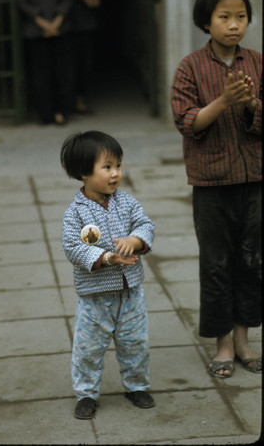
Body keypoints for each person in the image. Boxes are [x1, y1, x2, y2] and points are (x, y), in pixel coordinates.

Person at [171, 0, 262, 378]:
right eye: (224, 17)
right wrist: (224, 101)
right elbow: (187, 122)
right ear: (205, 21)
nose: (233, 25)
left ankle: (244, 340)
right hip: (211, 184)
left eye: (240, 16)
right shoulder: (190, 67)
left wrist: (251, 104)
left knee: (252, 261)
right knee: (217, 263)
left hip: (256, 179)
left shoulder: (257, 63)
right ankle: (223, 344)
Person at [61, 130, 155, 419]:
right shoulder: (75, 213)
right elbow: (72, 247)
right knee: (88, 348)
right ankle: (86, 393)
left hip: (130, 291)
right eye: (107, 167)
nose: (115, 174)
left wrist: (136, 241)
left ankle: (136, 386)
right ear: (83, 174)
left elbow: (145, 224)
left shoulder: (126, 202)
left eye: (118, 165)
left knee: (135, 341)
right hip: (95, 296)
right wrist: (106, 256)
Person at [18, 0, 75, 125]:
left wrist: (56, 21)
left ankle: (61, 111)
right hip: (35, 31)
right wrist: (42, 22)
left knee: (61, 73)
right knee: (40, 75)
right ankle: (45, 113)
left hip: (59, 29)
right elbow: (21, 1)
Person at [58, 0, 102, 114]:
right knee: (66, 67)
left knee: (84, 64)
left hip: (84, 24)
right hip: (63, 25)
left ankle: (80, 100)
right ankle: (66, 104)